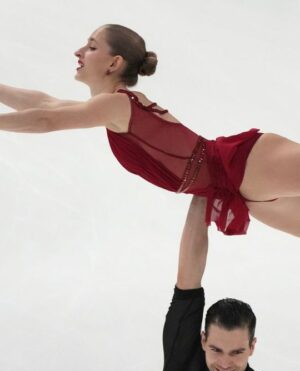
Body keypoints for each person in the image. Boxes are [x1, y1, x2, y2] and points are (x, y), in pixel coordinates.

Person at [0, 24, 299, 236]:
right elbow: (48, 106)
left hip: (248, 164)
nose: (78, 52)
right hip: (243, 190)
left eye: (91, 46)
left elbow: (46, 120)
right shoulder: (113, 109)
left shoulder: (117, 105)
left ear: (115, 62)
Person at [154, 195, 300, 371]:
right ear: (203, 340)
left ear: (252, 346)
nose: (224, 362)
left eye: (237, 352)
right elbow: (187, 281)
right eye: (216, 349)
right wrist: (203, 189)